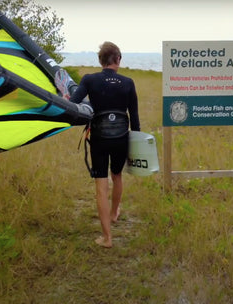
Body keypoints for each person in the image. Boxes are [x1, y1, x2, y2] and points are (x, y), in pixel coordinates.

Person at [70, 41, 140, 248]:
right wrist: (135, 143)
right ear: (118, 59)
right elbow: (134, 117)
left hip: (99, 138)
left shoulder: (89, 80)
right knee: (117, 175)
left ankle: (107, 238)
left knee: (101, 186)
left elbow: (74, 103)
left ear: (100, 61)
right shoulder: (128, 82)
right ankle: (114, 212)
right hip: (121, 137)